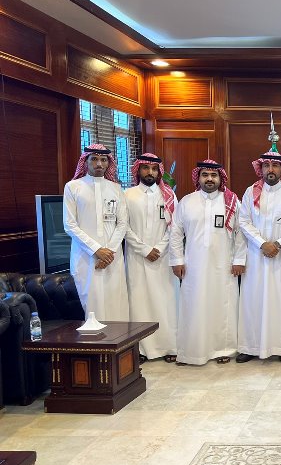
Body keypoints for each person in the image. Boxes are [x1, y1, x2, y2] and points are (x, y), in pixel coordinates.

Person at [169, 160, 245, 365]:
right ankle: (191, 351)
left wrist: (239, 260)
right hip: (193, 266)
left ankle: (224, 349)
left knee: (223, 306)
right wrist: (177, 260)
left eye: (214, 175)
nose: (209, 179)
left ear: (220, 178)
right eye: (205, 175)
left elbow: (240, 234)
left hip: (224, 265)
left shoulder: (231, 201)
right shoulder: (187, 202)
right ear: (198, 178)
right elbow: (175, 233)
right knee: (193, 306)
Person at [236, 150, 281, 364]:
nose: (270, 170)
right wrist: (262, 243)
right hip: (256, 255)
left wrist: (278, 244)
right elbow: (243, 221)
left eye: (275, 166)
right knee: (252, 301)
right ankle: (250, 347)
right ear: (261, 169)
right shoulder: (251, 191)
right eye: (266, 166)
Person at [124, 153, 179, 363]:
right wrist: (144, 249)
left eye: (154, 169)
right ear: (138, 170)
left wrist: (159, 247)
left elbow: (174, 227)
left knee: (166, 301)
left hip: (162, 258)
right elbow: (123, 227)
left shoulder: (168, 196)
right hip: (137, 257)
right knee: (139, 302)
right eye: (146, 168)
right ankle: (141, 349)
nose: (150, 172)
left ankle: (169, 346)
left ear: (159, 172)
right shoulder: (127, 195)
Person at [63, 144, 129, 320]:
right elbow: (70, 225)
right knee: (90, 305)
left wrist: (109, 252)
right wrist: (96, 250)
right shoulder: (73, 187)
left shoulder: (116, 189)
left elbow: (122, 224)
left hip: (112, 257)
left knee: (115, 303)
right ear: (86, 161)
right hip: (85, 257)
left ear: (108, 163)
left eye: (103, 160)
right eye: (94, 159)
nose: (99, 163)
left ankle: (118, 339)